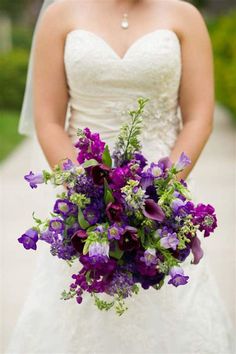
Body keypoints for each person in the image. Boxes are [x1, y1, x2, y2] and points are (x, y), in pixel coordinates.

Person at [6, 0, 235, 353]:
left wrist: (160, 193)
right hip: (85, 199)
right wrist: (91, 193)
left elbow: (198, 117)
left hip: (163, 197)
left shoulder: (185, 17)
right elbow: (49, 121)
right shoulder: (59, 16)